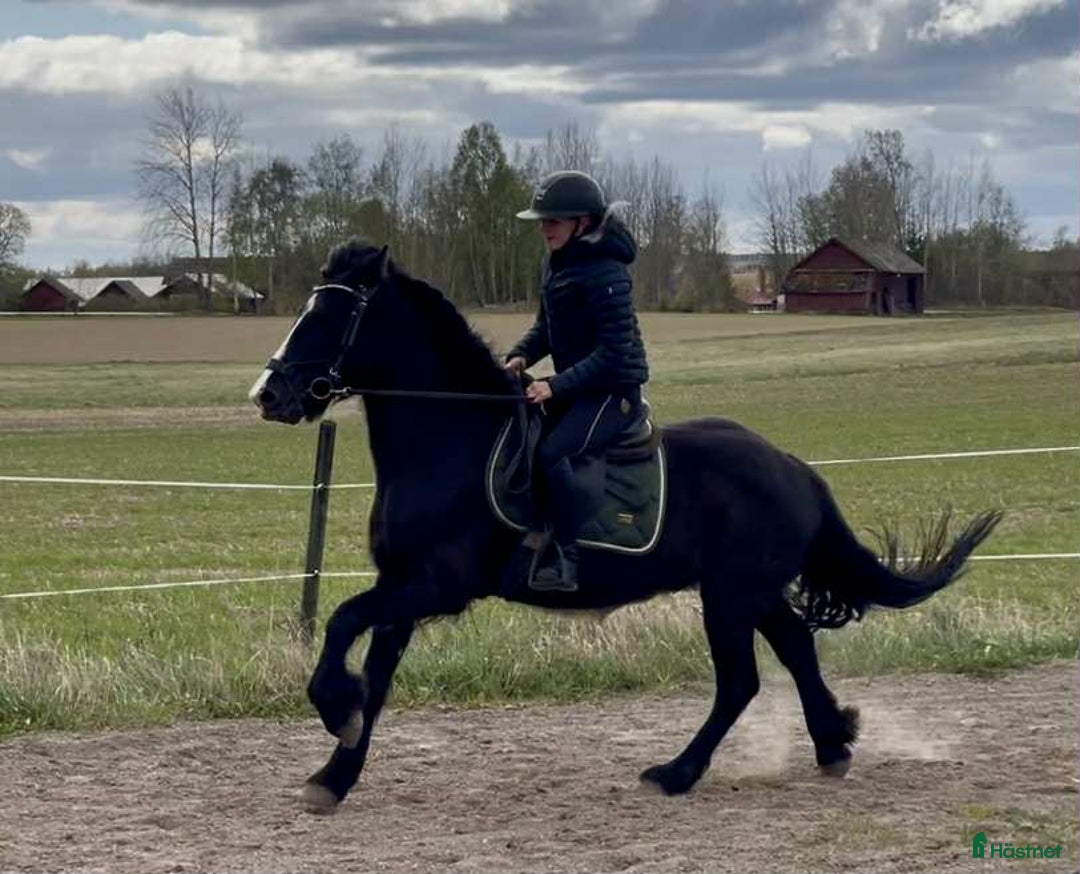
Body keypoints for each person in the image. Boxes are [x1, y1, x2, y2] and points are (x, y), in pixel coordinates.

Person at [505, 170, 649, 592]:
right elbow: (546, 328)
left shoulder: (607, 272)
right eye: (542, 222)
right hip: (581, 386)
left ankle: (566, 556)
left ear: (582, 223)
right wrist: (519, 356)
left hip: (613, 393)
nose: (544, 230)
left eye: (552, 221)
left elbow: (614, 353)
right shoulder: (556, 265)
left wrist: (555, 386)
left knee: (553, 452)